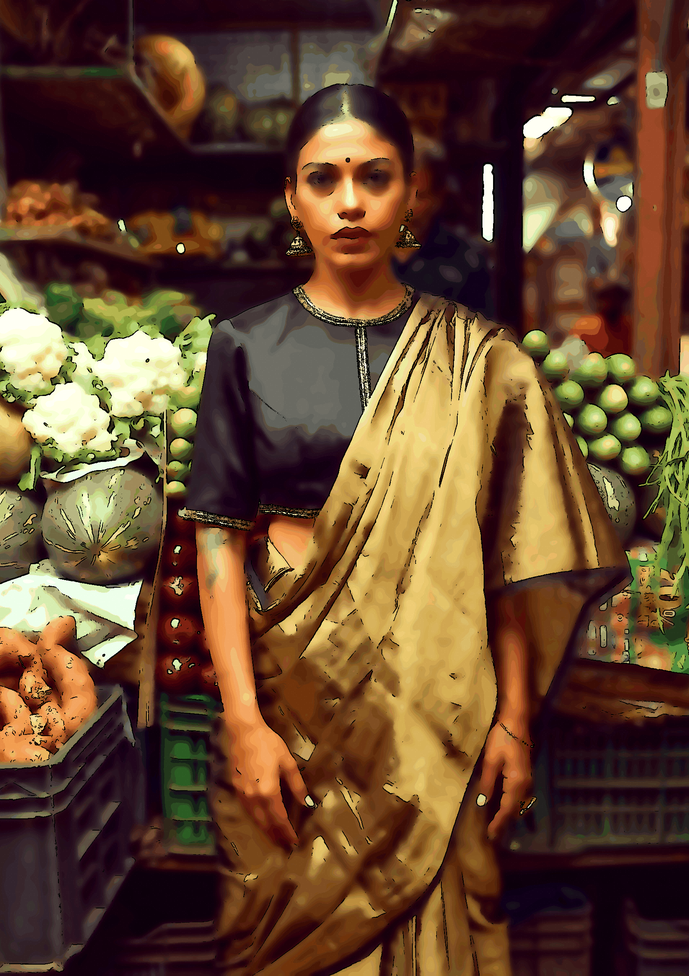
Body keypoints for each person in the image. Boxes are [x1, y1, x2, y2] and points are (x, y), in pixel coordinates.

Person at [179, 84, 629, 975]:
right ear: (292, 197)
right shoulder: (243, 346)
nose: (349, 202)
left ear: (412, 191)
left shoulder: (479, 358)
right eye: (324, 179)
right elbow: (218, 539)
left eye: (374, 177)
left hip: (441, 704)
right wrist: (243, 722)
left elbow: (503, 555)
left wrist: (514, 721)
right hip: (293, 696)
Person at [392, 135, 504, 325]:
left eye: (421, 196)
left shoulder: (467, 260)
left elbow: (481, 332)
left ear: (439, 197)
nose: (409, 206)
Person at [569, 281, 632, 356]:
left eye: (617, 298)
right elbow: (572, 353)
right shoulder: (584, 326)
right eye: (608, 298)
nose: (613, 303)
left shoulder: (629, 326)